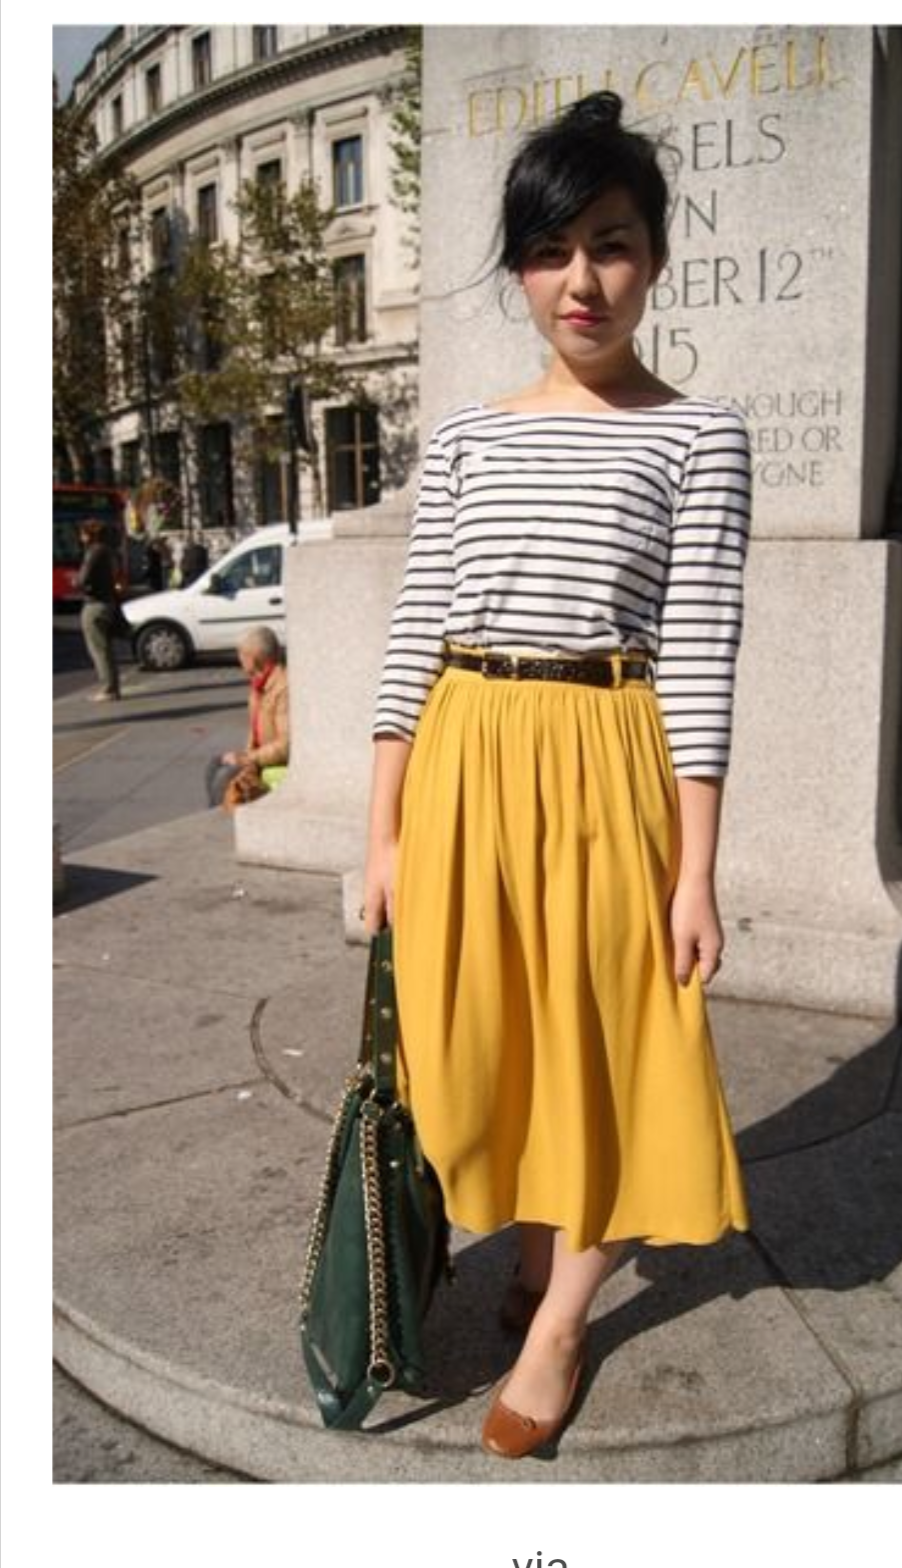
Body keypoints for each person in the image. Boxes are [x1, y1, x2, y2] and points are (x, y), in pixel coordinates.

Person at [363, 91, 752, 1460]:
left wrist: (696, 871)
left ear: (654, 258)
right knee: (493, 1041)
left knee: (611, 1041)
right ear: (520, 270)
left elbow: (699, 655)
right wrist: (383, 833)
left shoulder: (701, 436)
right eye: (549, 249)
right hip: (466, 756)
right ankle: (537, 1249)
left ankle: (563, 1321)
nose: (581, 280)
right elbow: (416, 630)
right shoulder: (468, 435)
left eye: (611, 243)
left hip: (606, 758)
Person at [218, 626, 290, 808]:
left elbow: (286, 745)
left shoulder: (283, 687)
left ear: (252, 657)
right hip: (261, 759)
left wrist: (249, 759)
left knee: (224, 777)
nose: (239, 659)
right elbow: (255, 733)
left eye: (240, 653)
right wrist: (246, 758)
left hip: (279, 764)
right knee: (216, 766)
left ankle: (228, 821)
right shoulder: (259, 684)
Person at [77, 519, 123, 702]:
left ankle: (108, 689)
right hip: (108, 601)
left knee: (98, 649)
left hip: (94, 604)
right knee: (105, 648)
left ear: (89, 535)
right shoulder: (109, 551)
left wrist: (75, 581)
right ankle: (112, 687)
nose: (80, 537)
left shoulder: (93, 552)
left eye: (82, 533)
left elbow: (82, 579)